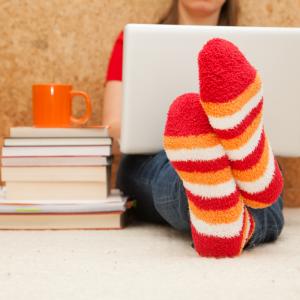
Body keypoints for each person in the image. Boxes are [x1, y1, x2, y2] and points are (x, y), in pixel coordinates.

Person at [102, 0, 284, 258]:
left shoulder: (256, 46)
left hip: (234, 164)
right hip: (154, 155)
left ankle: (229, 205)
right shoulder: (134, 41)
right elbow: (111, 122)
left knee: (225, 183)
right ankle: (243, 185)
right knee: (252, 186)